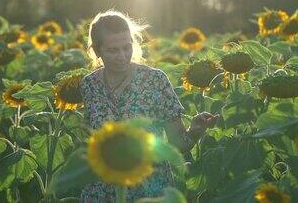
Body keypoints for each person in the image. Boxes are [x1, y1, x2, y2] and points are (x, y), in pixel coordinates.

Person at [79, 10, 218, 202]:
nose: (122, 56)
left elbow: (176, 143)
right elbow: (90, 141)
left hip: (149, 190)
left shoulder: (155, 80)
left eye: (127, 47)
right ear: (97, 51)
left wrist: (195, 130)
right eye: (113, 50)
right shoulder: (89, 85)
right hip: (100, 192)